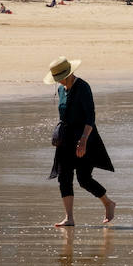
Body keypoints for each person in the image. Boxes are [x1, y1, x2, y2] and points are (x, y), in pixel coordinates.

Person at [45, 56, 116, 226]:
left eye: (59, 78)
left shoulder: (83, 87)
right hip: (65, 140)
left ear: (69, 74)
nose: (58, 82)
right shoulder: (61, 90)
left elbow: (90, 117)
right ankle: (69, 217)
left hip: (85, 137)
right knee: (64, 177)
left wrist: (83, 140)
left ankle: (108, 203)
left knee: (84, 179)